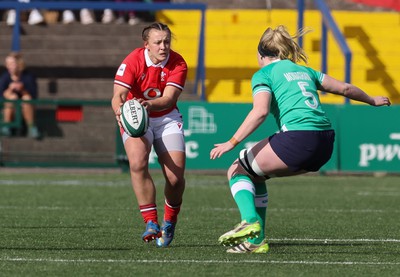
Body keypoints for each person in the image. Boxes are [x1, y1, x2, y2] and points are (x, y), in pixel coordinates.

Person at [209, 25, 391, 254]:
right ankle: (256, 242)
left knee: (237, 169)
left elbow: (260, 111)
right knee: (256, 175)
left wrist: (231, 142)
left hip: (298, 139)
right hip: (325, 142)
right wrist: (371, 100)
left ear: (260, 54)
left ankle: (249, 222)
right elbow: (344, 88)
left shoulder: (263, 74)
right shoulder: (305, 71)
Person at [111, 22, 188, 247]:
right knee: (137, 163)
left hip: (166, 117)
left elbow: (169, 99)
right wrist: (120, 110)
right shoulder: (133, 59)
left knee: (175, 178)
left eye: (167, 41)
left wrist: (148, 104)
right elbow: (118, 95)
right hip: (136, 115)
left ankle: (169, 221)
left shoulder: (178, 62)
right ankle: (151, 222)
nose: (163, 46)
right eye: (158, 42)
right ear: (147, 45)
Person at [0, 52, 40, 138]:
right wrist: (10, 90)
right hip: (10, 109)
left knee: (26, 98)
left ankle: (31, 127)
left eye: (12, 64)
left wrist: (22, 90)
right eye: (7, 64)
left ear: (19, 64)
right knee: (11, 97)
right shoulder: (4, 77)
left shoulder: (28, 77)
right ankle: (6, 126)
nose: (9, 66)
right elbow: (1, 95)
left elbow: (33, 96)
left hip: (25, 109)